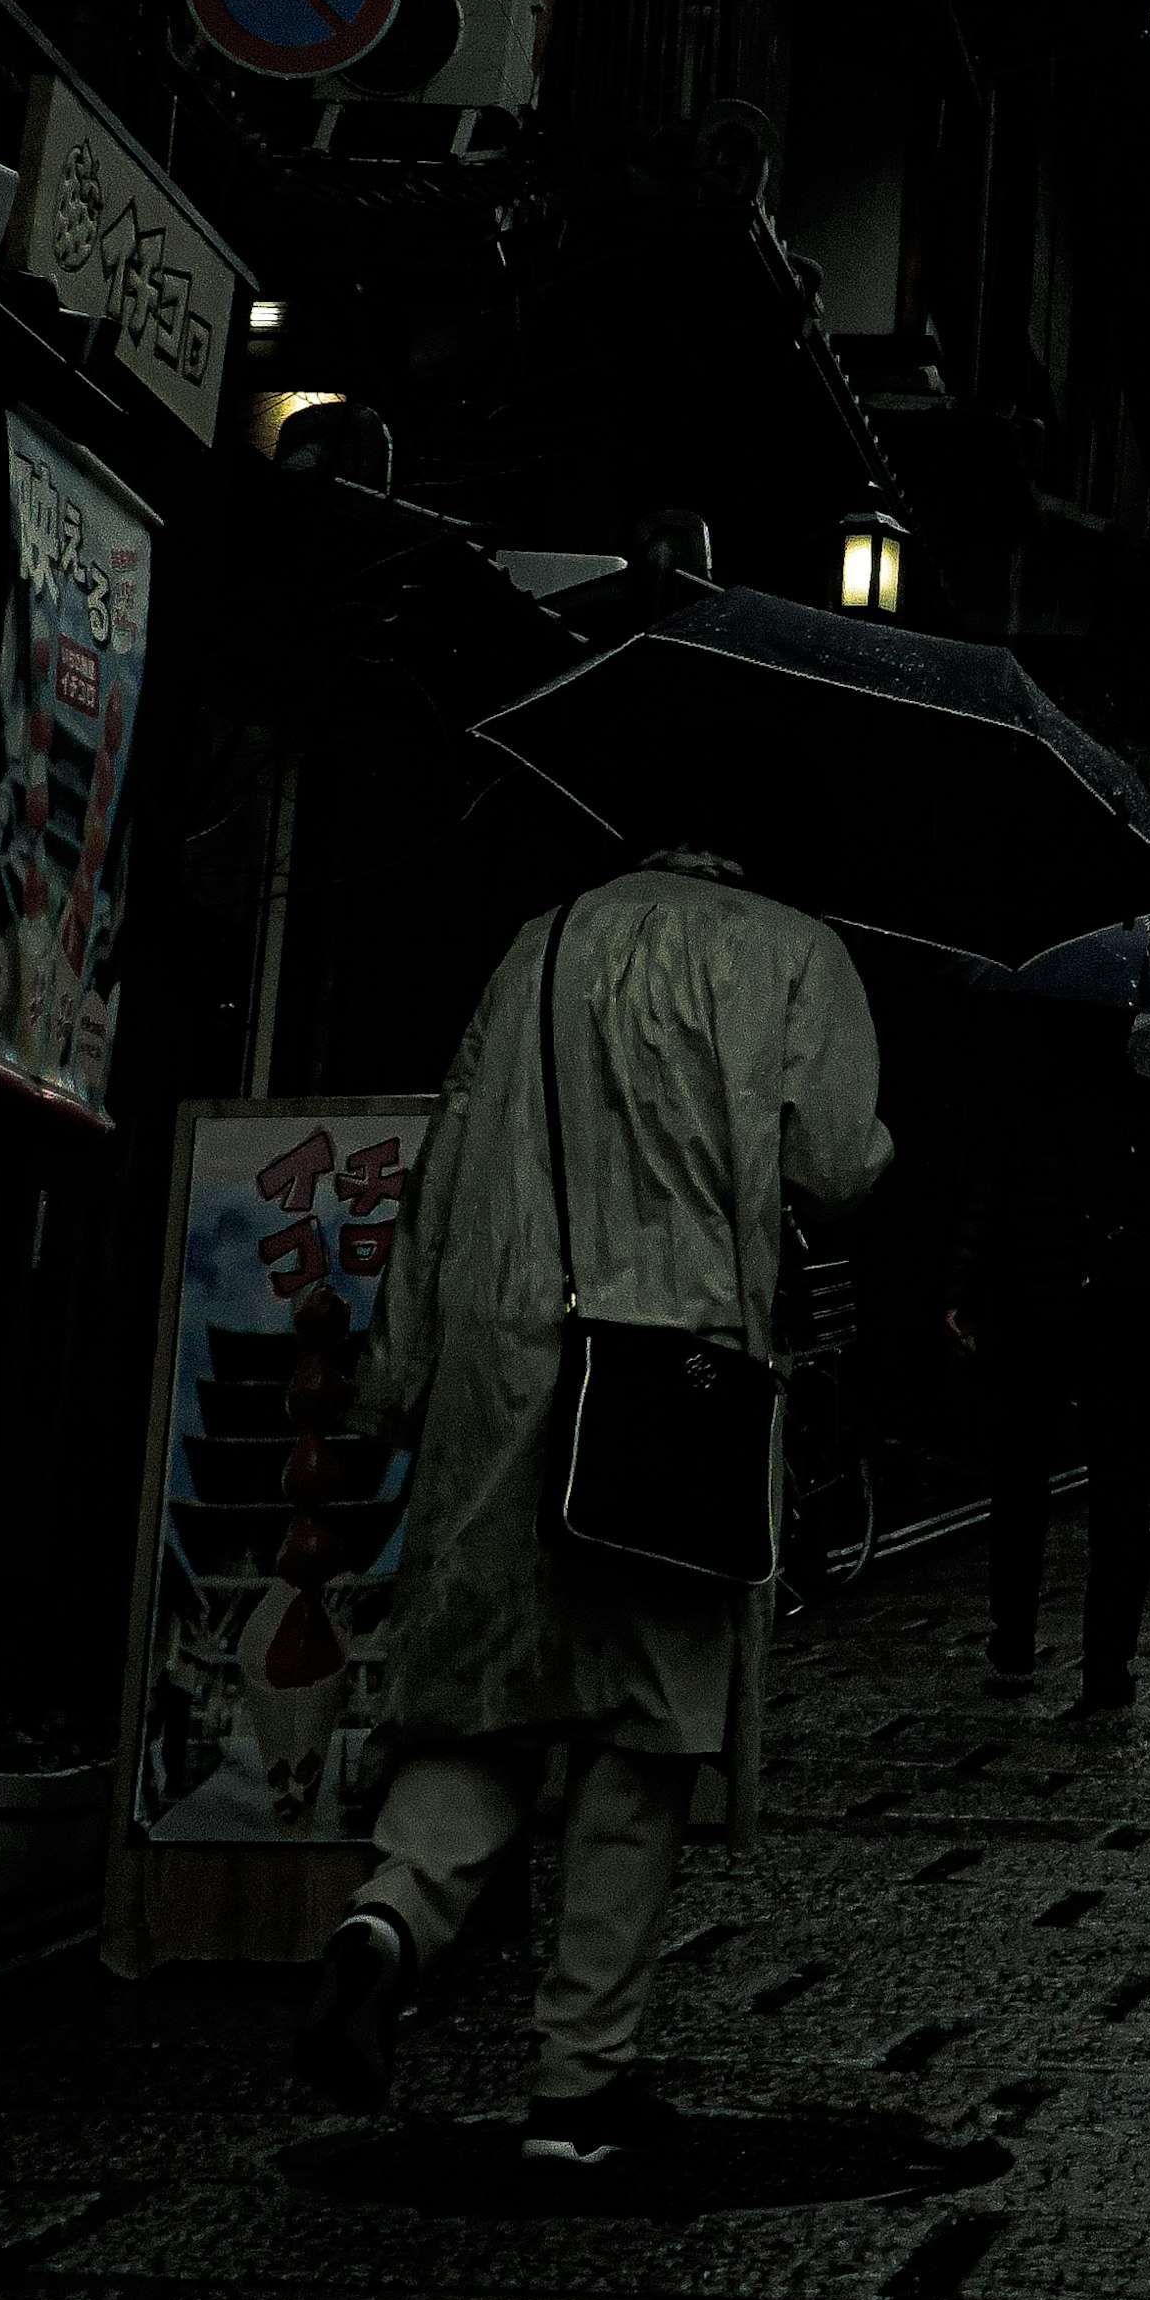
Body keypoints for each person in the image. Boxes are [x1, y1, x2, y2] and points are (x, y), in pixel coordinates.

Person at [292, 849, 888, 2149]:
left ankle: (388, 1923)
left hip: (507, 1363)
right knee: (643, 1726)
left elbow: (449, 1160)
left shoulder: (540, 938)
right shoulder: (799, 950)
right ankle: (580, 2076)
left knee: (487, 1693)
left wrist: (392, 1384)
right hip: (673, 1379)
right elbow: (835, 1161)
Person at [947, 1009, 1150, 1716]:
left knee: (1020, 1482)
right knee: (1121, 1493)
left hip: (1031, 1317)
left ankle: (1012, 1639)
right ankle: (1108, 1663)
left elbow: (983, 1206)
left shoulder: (1021, 1111)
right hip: (1127, 1319)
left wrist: (963, 1293)